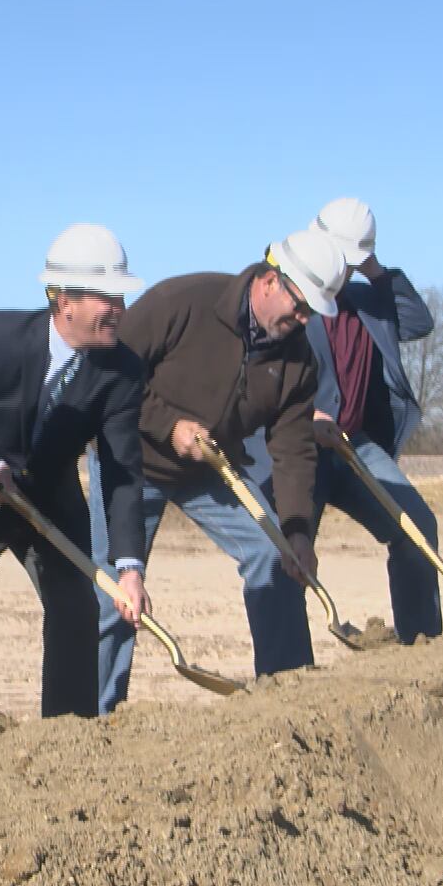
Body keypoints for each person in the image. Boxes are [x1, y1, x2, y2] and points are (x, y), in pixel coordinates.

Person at [92, 228, 349, 711]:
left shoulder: (299, 360)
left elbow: (293, 449)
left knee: (274, 556)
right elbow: (108, 375)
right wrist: (168, 425)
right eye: (299, 305)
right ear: (271, 280)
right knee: (113, 595)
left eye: (312, 312)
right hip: (131, 460)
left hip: (209, 469)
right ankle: (94, 718)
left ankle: (287, 697)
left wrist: (296, 532)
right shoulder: (183, 301)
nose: (302, 319)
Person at [0, 224, 150, 747]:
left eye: (121, 296)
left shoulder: (122, 370)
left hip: (52, 503)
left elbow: (121, 471)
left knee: (77, 611)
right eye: (107, 297)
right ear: (64, 300)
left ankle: (65, 744)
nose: (118, 308)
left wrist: (129, 567)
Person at [305, 198, 441, 643]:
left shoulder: (368, 301)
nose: (343, 270)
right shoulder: (291, 301)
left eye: (352, 262)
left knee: (417, 528)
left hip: (356, 445)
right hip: (299, 447)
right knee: (289, 549)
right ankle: (287, 669)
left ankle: (420, 643)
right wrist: (306, 414)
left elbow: (419, 322)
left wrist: (377, 272)